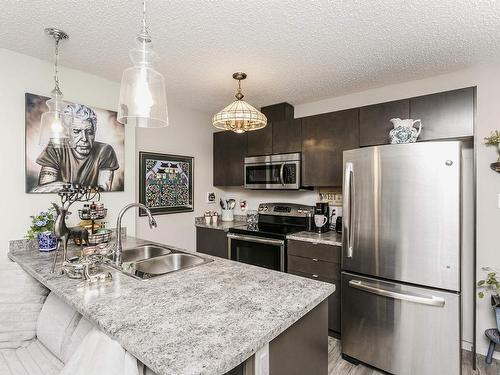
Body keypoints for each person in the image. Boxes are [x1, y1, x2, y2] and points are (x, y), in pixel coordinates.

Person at [32, 104, 119, 192]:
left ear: (94, 132)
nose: (84, 139)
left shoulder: (105, 151)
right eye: (76, 131)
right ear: (67, 133)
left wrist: (65, 187)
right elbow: (44, 189)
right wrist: (78, 188)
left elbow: (103, 190)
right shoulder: (55, 147)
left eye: (89, 132)